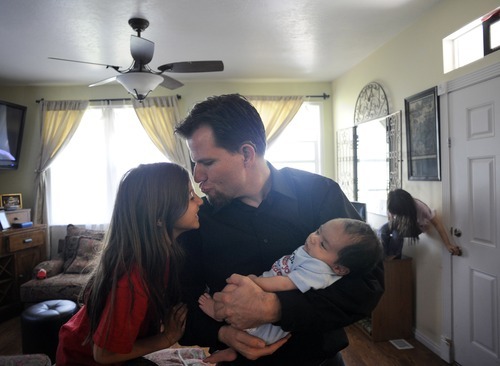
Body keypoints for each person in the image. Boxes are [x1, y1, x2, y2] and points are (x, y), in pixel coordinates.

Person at [175, 93, 384, 365]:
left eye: (208, 162)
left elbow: (369, 286)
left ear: (247, 154)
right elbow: (181, 304)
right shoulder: (199, 220)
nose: (197, 176)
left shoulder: (319, 194)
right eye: (195, 163)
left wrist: (275, 309)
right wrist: (223, 333)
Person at [56, 163, 204, 365]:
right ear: (159, 216)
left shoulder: (163, 254)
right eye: (189, 196)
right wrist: (166, 339)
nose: (199, 201)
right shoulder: (132, 277)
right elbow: (103, 354)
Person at [198, 218, 383, 363]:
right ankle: (231, 352)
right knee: (242, 335)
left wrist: (255, 282)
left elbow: (286, 283)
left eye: (323, 244)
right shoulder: (315, 254)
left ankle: (218, 313)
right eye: (318, 231)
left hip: (269, 328)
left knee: (234, 292)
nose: (313, 237)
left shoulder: (319, 271)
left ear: (340, 269)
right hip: (263, 321)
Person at [379, 188, 462, 259]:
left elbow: (437, 224)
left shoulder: (420, 207)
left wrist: (447, 244)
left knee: (396, 234)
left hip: (417, 227)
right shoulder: (393, 205)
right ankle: (382, 256)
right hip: (401, 222)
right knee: (382, 231)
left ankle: (392, 257)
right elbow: (390, 217)